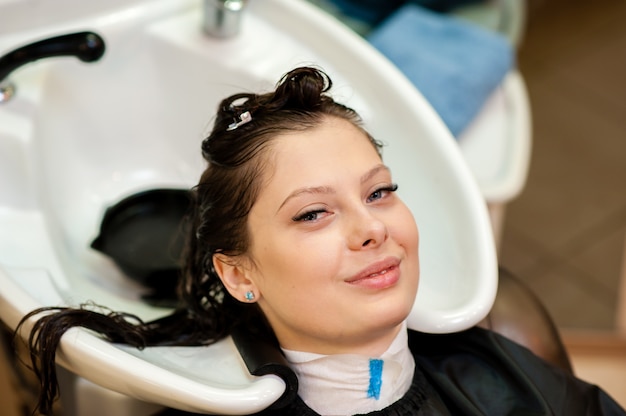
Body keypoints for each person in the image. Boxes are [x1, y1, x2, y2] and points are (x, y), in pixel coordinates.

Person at [16, 67, 626, 415]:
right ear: (238, 275)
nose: (372, 229)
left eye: (379, 192)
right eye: (313, 214)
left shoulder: (490, 371)